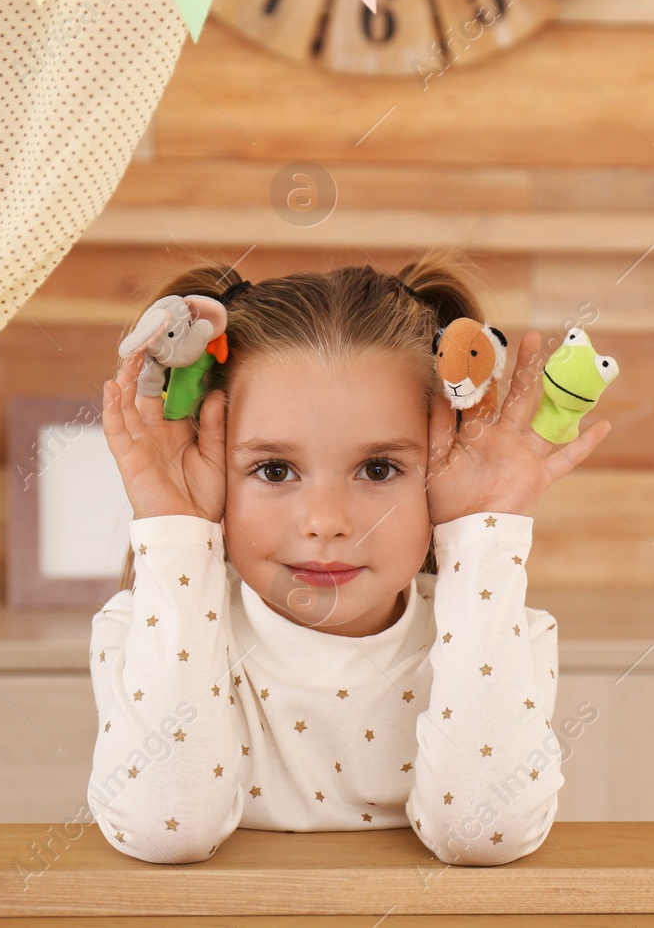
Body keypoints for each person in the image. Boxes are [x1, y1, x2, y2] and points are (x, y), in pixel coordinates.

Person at [84, 246, 612, 866]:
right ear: (210, 461)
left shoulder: (502, 635)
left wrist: (481, 529)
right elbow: (165, 830)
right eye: (274, 469)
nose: (326, 523)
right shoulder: (141, 632)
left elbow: (480, 834)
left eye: (379, 468)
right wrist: (176, 528)